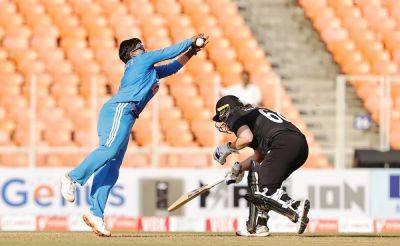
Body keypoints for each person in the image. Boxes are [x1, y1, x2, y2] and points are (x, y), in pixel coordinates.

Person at [60, 34, 209, 237]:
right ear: (132, 53)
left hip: (128, 116)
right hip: (119, 110)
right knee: (109, 151)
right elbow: (167, 53)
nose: (144, 49)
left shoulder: (149, 70)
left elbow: (173, 67)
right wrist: (190, 41)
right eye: (141, 46)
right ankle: (72, 178)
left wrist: (191, 52)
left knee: (112, 167)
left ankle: (96, 214)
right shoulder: (139, 61)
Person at [212, 95, 310, 236]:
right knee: (266, 185)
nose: (223, 122)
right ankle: (259, 226)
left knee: (263, 187)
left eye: (222, 117)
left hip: (283, 144)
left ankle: (296, 207)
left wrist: (227, 148)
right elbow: (259, 156)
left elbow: (246, 138)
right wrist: (238, 167)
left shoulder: (235, 114)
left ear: (226, 110)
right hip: (299, 146)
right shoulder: (252, 114)